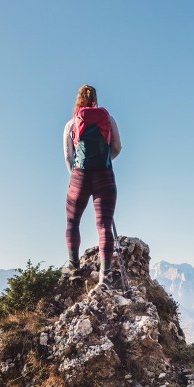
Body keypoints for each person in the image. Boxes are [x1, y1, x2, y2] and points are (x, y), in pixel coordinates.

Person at [63, 84, 122, 285]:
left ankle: (74, 269)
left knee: (73, 222)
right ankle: (105, 277)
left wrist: (76, 173)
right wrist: (106, 160)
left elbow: (68, 157)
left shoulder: (71, 124)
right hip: (104, 175)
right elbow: (117, 147)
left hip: (80, 176)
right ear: (95, 98)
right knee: (104, 225)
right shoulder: (109, 119)